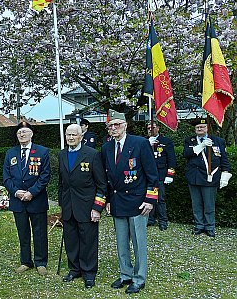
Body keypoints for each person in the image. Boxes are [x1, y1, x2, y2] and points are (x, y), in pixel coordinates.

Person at [101, 111, 159, 294]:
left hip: (138, 202)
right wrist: (108, 199)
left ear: (125, 125)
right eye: (110, 126)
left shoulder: (140, 143)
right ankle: (125, 274)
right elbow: (108, 177)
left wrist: (150, 199)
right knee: (121, 243)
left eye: (117, 124)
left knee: (138, 243)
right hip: (118, 201)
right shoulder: (106, 148)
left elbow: (152, 174)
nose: (113, 128)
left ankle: (139, 278)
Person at [58, 124, 107, 289]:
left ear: (81, 137)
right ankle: (74, 269)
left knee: (88, 241)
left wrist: (97, 208)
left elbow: (102, 184)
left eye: (74, 135)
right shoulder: (62, 154)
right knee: (71, 240)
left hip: (87, 207)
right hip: (68, 206)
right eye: (68, 135)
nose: (70, 138)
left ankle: (89, 273)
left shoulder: (92, 154)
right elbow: (61, 183)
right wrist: (61, 204)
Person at [3, 121, 51, 276]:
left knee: (40, 233)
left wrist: (31, 192)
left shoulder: (42, 152)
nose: (22, 135)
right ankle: (25, 262)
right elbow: (6, 177)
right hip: (18, 201)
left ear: (31, 134)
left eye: (25, 132)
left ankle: (41, 262)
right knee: (23, 233)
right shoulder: (10, 153)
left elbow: (45, 176)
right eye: (19, 133)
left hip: (36, 200)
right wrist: (16, 192)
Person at [183, 118, 231, 237]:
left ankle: (210, 227)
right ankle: (199, 226)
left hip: (210, 177)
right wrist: (201, 145)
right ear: (195, 129)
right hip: (194, 177)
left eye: (202, 127)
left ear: (207, 128)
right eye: (197, 128)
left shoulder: (218, 141)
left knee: (209, 205)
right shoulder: (190, 140)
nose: (200, 129)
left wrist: (225, 174)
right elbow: (186, 154)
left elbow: (224, 159)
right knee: (197, 204)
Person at [146, 121, 176, 231]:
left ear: (158, 128)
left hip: (160, 175)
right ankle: (150, 219)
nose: (150, 130)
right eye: (148, 128)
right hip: (146, 176)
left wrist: (170, 174)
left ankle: (163, 221)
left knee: (160, 199)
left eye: (153, 127)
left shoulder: (166, 141)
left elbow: (171, 159)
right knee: (148, 198)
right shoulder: (144, 141)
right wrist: (148, 144)